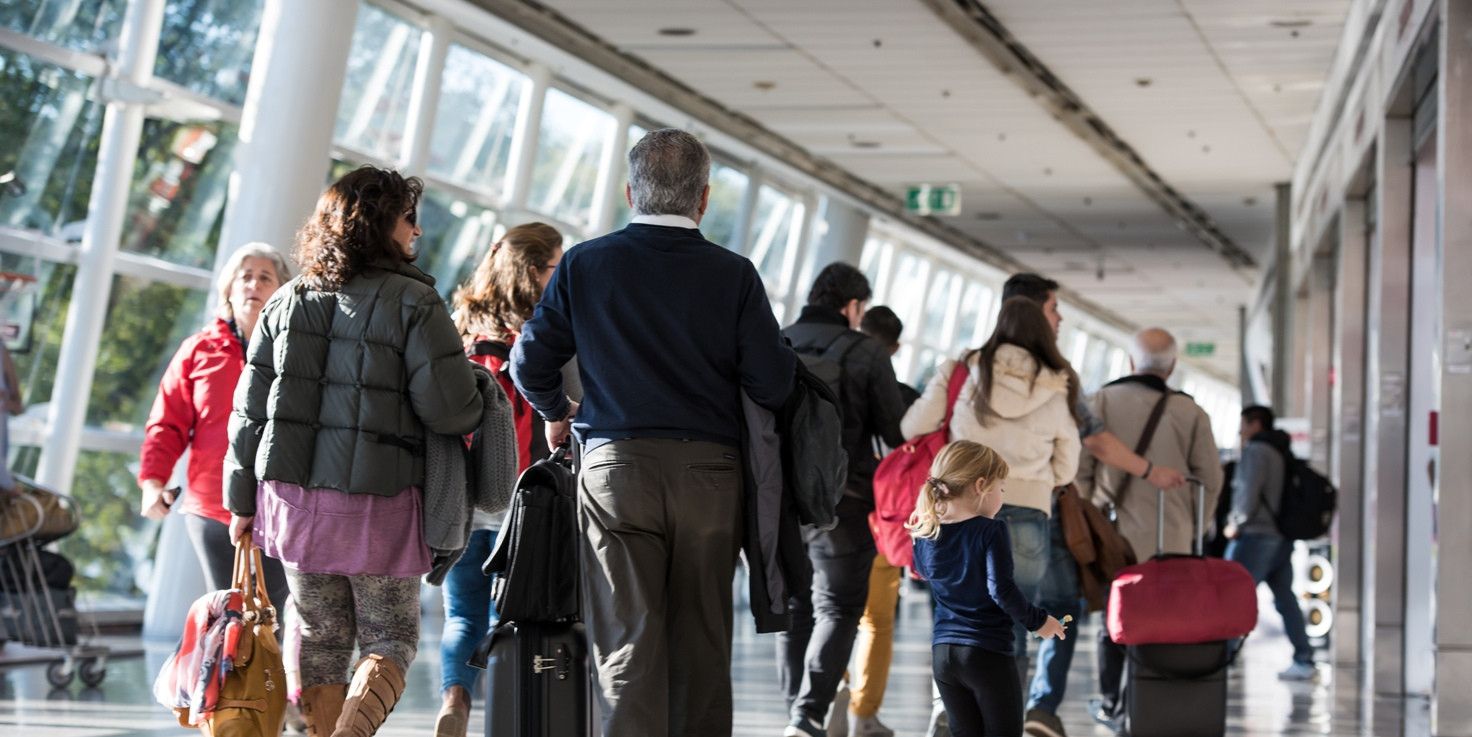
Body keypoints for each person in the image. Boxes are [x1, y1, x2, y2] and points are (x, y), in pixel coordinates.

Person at [510, 128, 796, 737]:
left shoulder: (586, 263)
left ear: (629, 192)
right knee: (703, 645)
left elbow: (529, 361)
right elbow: (774, 384)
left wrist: (558, 409)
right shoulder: (735, 275)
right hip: (711, 477)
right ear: (704, 198)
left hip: (616, 471)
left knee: (626, 643)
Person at [224, 166, 484, 737]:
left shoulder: (286, 300)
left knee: (319, 633)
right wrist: (474, 385)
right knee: (389, 638)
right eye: (409, 220)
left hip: (291, 505)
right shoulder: (415, 301)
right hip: (380, 504)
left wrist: (240, 502)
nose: (415, 233)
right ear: (383, 222)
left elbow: (250, 413)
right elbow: (450, 410)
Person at [1000, 273, 1186, 737]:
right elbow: (1095, 442)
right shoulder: (1057, 375)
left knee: (996, 610)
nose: (1059, 318)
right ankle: (1040, 708)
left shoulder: (971, 366)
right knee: (1060, 604)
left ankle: (997, 708)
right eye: (1053, 308)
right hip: (1042, 504)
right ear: (1031, 310)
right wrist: (1148, 471)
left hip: (982, 507)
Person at [434, 222, 574, 737]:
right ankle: (512, 715)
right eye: (556, 265)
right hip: (526, 500)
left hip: (463, 496)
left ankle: (456, 698)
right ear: (535, 271)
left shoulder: (459, 324)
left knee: (462, 616)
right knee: (517, 618)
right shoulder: (546, 333)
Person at [902, 296, 1081, 690]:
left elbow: (912, 426)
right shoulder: (1056, 384)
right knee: (1014, 621)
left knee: (953, 618)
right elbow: (1068, 466)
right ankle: (1008, 719)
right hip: (1032, 512)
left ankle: (948, 708)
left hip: (959, 510)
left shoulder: (964, 371)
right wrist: (1032, 482)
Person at [1073, 327, 1223, 730]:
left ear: (1130, 361)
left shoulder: (1099, 401)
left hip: (1111, 537)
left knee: (1113, 620)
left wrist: (1090, 518)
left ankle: (1111, 703)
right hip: (1172, 539)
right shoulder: (1192, 412)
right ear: (1172, 366)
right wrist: (1193, 526)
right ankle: (1156, 698)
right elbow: (1210, 479)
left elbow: (1081, 471)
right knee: (1165, 621)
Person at [779, 263, 907, 737]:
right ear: (853, 306)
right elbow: (895, 432)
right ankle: (807, 715)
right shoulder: (867, 352)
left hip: (781, 501)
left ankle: (795, 711)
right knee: (838, 609)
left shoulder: (778, 340)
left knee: (795, 609)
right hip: (845, 501)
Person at [138, 242, 292, 608]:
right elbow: (167, 422)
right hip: (212, 506)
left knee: (272, 621)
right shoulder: (199, 349)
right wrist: (152, 483)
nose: (253, 285)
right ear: (229, 289)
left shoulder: (298, 351)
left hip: (282, 505)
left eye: (264, 278)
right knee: (227, 615)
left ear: (281, 290)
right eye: (246, 277)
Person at [911, 440, 1067, 737]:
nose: (1002, 496)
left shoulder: (926, 530)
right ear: (980, 486)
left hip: (943, 656)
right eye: (1001, 488)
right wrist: (1039, 622)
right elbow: (1001, 590)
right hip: (987, 654)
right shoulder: (990, 530)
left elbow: (922, 572)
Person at [839, 304, 919, 737]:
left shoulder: (832, 383)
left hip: (833, 510)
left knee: (829, 612)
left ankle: (830, 696)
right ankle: (862, 715)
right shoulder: (906, 400)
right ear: (897, 347)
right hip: (885, 520)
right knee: (876, 620)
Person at [1223, 405, 1316, 681]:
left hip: (1257, 535)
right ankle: (1304, 657)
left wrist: (1234, 523)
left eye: (1243, 424)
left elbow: (1248, 493)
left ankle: (1224, 658)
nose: (1240, 430)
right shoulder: (1281, 451)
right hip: (1280, 536)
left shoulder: (1256, 451)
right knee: (1285, 599)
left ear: (1255, 424)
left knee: (1232, 596)